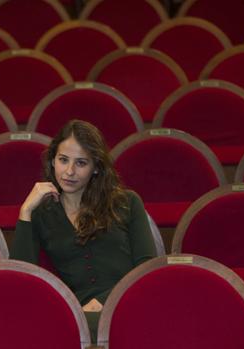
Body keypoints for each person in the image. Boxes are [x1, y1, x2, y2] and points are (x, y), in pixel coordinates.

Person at [10, 119, 157, 342]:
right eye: (63, 160)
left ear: (96, 167)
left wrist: (109, 299)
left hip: (127, 304)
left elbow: (147, 269)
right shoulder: (42, 213)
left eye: (81, 163)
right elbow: (22, 281)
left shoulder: (126, 202)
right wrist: (26, 211)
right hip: (74, 315)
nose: (69, 171)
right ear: (52, 161)